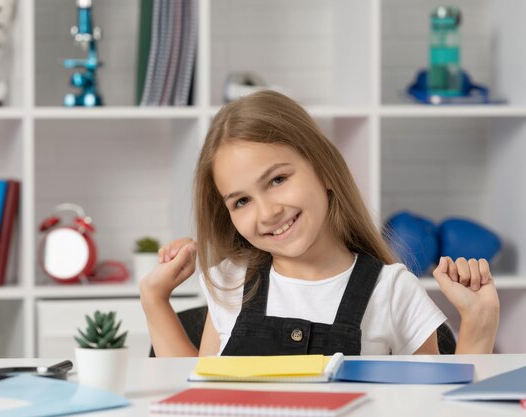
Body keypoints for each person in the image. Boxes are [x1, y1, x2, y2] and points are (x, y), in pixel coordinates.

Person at [139, 90, 500, 357]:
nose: (266, 213)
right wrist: (154, 298)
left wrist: (479, 324)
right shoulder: (230, 283)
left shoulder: (392, 291)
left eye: (277, 180)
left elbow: (437, 408)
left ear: (324, 169)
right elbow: (193, 394)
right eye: (242, 201)